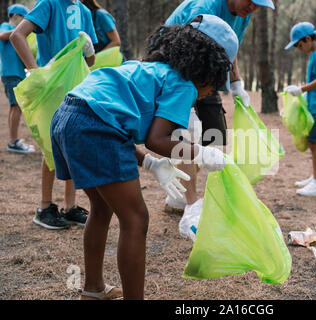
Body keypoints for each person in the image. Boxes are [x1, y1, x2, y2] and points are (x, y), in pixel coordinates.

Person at [50, 14, 237, 300]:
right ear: (209, 69)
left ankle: (93, 289)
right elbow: (157, 139)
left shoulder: (148, 70)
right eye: (215, 84)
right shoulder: (184, 85)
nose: (209, 93)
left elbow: (114, 121)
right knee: (136, 219)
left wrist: (150, 163)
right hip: (92, 127)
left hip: (67, 117)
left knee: (101, 208)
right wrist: (202, 153)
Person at [163, 0, 275, 218]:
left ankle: (189, 190)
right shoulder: (204, 9)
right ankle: (189, 203)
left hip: (206, 71)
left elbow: (230, 50)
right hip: (176, 69)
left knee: (214, 134)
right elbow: (182, 53)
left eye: (259, 4)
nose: (254, 7)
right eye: (252, 1)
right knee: (185, 133)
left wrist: (237, 85)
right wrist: (186, 105)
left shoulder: (244, 13)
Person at [10, 0, 98, 229]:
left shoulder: (85, 11)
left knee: (73, 144)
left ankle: (70, 207)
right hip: (52, 88)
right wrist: (35, 71)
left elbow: (89, 60)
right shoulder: (49, 3)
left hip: (77, 87)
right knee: (52, 146)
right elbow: (17, 36)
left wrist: (90, 51)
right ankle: (44, 207)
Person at [284, 22, 316, 197]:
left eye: (299, 45)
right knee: (312, 143)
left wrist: (301, 89)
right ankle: (314, 177)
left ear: (307, 39)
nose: (299, 49)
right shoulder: (315, 54)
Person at [0, 4, 34, 154]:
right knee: (16, 107)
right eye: (23, 19)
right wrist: (19, 31)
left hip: (16, 73)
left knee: (15, 106)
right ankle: (13, 142)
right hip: (11, 73)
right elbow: (1, 36)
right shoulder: (6, 26)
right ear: (15, 17)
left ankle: (13, 140)